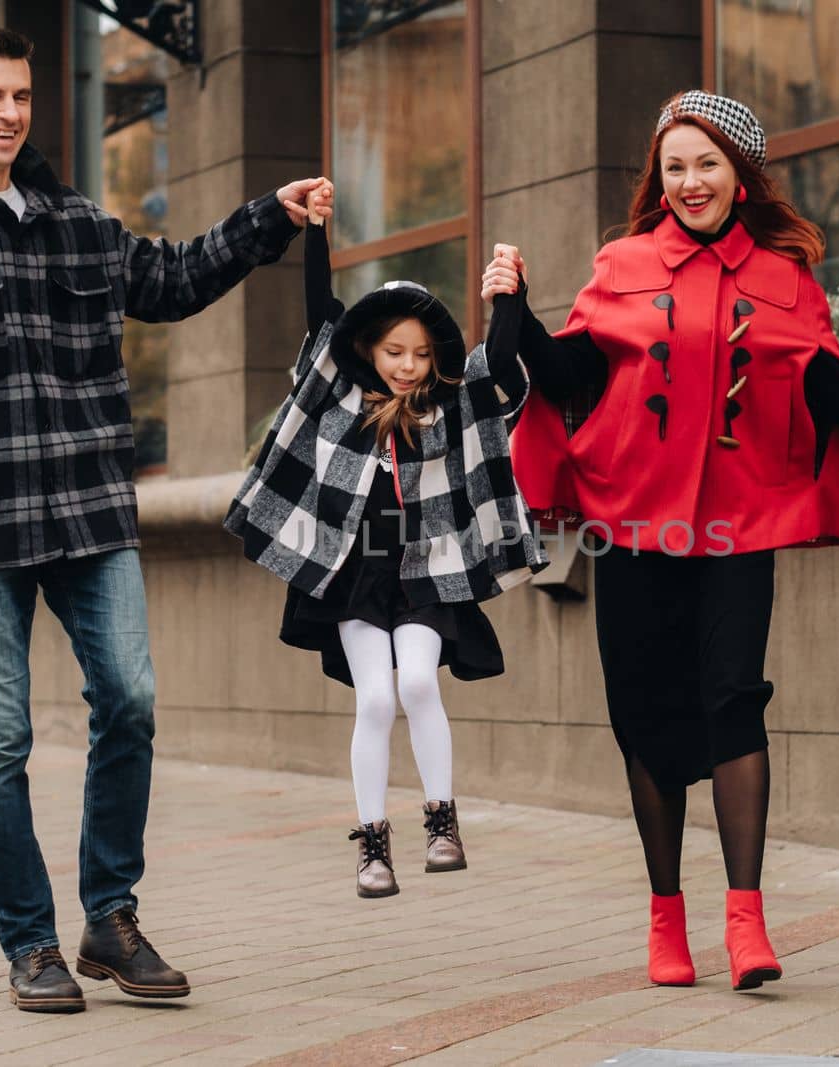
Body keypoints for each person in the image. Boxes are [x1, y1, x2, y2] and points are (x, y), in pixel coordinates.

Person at [0, 25, 325, 1013]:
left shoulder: (75, 219)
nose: (9, 113)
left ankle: (108, 918)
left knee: (131, 697)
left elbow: (170, 277)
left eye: (22, 96)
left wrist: (268, 220)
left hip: (86, 507)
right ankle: (30, 942)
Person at [481, 90, 839, 992]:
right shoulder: (622, 263)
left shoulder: (784, 281)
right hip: (629, 523)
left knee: (734, 698)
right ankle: (665, 922)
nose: (689, 182)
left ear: (740, 176)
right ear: (660, 177)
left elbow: (838, 392)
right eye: (674, 166)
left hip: (736, 526)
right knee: (643, 713)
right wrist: (513, 314)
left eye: (707, 164)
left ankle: (747, 923)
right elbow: (570, 374)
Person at [226, 180, 546, 899]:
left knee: (415, 682)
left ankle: (442, 819)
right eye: (395, 350)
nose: (408, 364)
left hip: (429, 570)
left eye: (421, 353)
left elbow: (498, 374)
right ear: (371, 349)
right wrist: (315, 232)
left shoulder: (450, 405)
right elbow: (320, 314)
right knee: (374, 699)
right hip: (355, 574)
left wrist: (511, 298)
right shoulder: (339, 395)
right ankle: (373, 845)